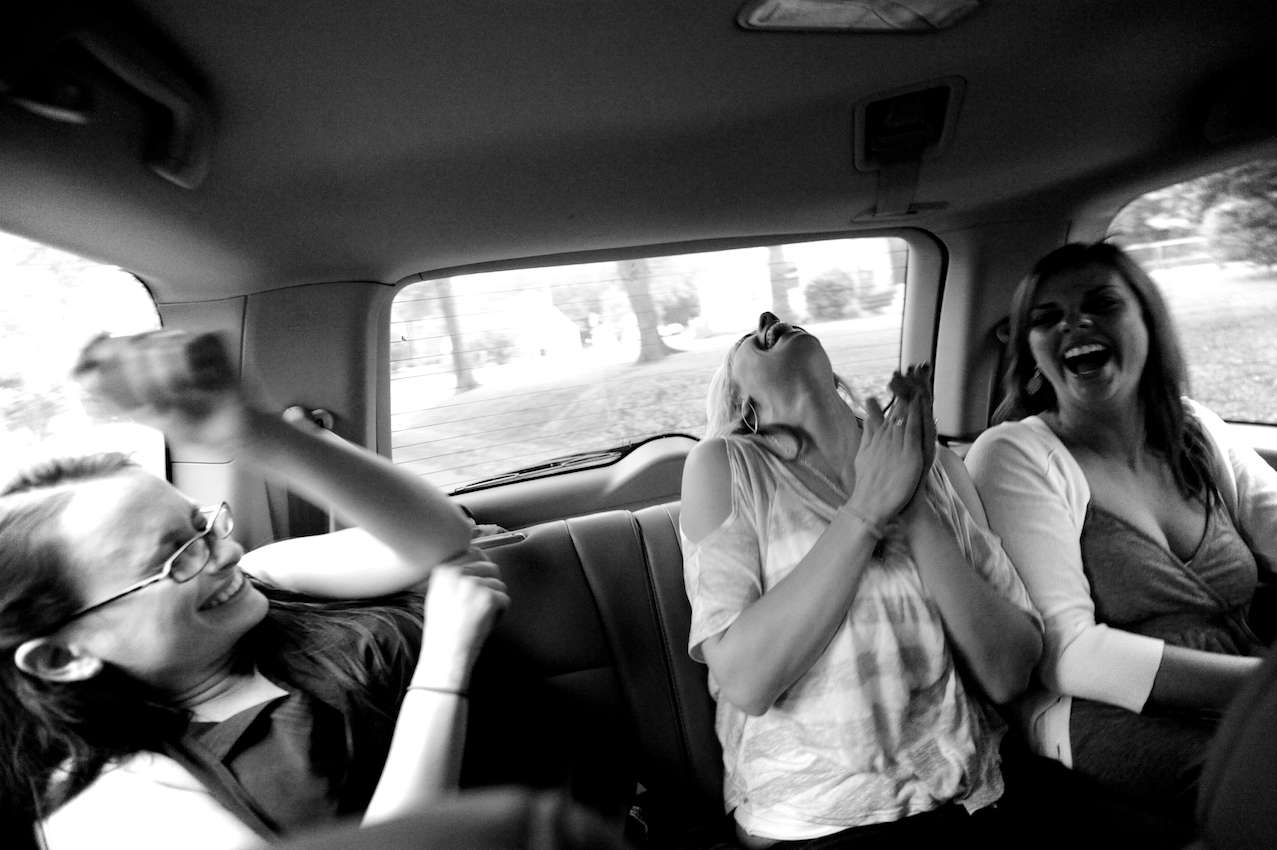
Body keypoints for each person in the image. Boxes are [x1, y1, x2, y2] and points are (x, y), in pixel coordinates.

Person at [0, 330, 509, 849]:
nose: (228, 552)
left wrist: (259, 434)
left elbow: (440, 536)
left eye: (202, 525)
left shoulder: (261, 579)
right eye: (177, 557)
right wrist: (445, 665)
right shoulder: (110, 803)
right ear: (61, 658)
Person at [680, 311, 1042, 848]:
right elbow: (746, 682)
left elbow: (1010, 674)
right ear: (741, 404)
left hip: (968, 798)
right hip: (816, 823)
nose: (768, 318)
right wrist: (867, 509)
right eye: (744, 339)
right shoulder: (726, 467)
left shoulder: (935, 465)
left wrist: (913, 501)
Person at [965, 241, 1277, 821]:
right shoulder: (1014, 455)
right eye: (1047, 318)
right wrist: (1261, 688)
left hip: (1247, 690)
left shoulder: (1195, 430)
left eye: (1102, 304)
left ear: (1148, 323)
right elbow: (1067, 654)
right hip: (1101, 714)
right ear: (1032, 352)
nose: (1075, 324)